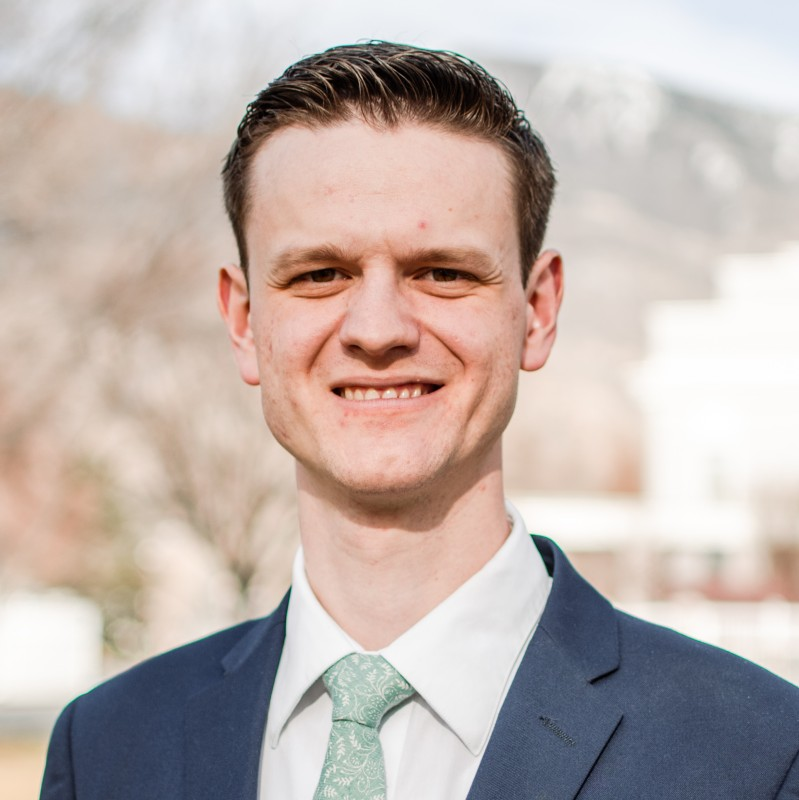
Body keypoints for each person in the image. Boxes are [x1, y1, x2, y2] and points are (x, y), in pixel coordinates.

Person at [41, 41, 799, 800]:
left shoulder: (758, 757)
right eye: (319, 274)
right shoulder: (106, 749)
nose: (377, 330)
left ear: (537, 311)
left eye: (442, 272)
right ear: (243, 321)